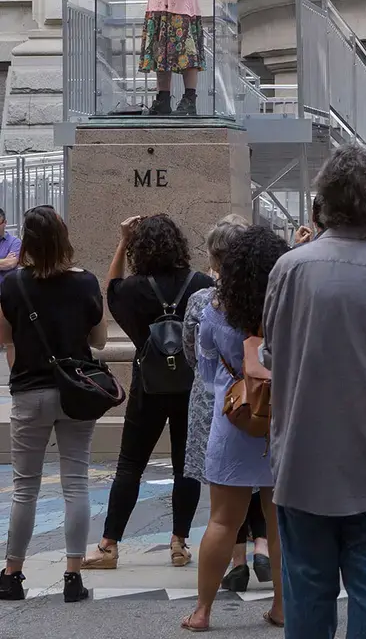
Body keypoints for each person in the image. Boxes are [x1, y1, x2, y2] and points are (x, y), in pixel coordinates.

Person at [263, 146, 366, 639]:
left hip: (302, 459)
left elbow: (271, 350)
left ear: (321, 203)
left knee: (307, 593)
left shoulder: (289, 269)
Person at [86, 214, 212, 569]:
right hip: (189, 387)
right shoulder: (200, 284)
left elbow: (111, 290)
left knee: (130, 466)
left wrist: (122, 240)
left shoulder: (134, 289)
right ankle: (179, 542)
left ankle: (109, 545)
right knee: (185, 466)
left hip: (148, 388)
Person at [182, 226, 289, 632]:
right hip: (281, 422)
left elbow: (206, 373)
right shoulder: (286, 310)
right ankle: (281, 607)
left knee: (223, 521)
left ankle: (203, 612)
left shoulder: (212, 309)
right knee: (280, 523)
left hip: (234, 419)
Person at [0, 207, 106, 603]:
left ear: (25, 241)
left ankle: (12, 574)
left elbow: (4, 338)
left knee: (25, 487)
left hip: (29, 392)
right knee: (76, 482)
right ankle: (73, 577)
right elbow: (97, 341)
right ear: (64, 238)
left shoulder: (12, 285)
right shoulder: (86, 283)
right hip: (76, 392)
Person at [0, 209, 21, 283]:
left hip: (5, 290)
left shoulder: (15, 242)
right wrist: (4, 261)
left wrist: (6, 262)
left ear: (5, 223)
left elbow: (10, 263)